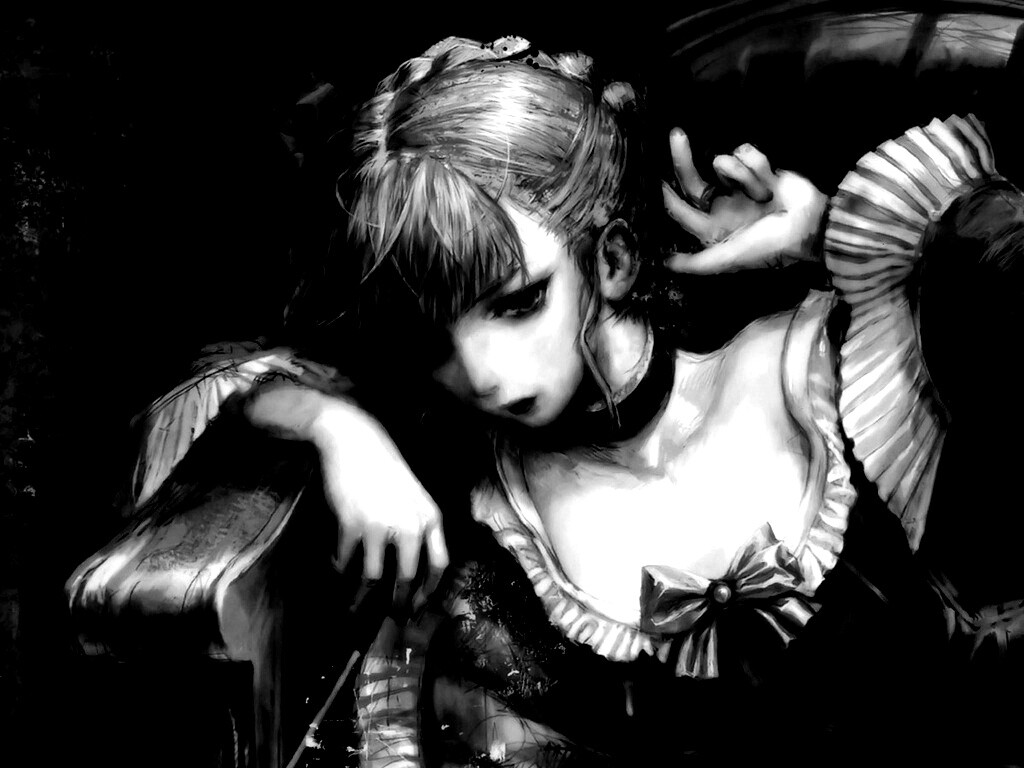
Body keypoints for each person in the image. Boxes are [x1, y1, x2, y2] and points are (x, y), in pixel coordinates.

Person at [124, 34, 1024, 767]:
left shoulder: (816, 363)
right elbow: (215, 386)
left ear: (614, 259)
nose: (481, 373)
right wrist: (337, 427)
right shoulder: (486, 525)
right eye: (435, 337)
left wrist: (831, 235)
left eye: (519, 302)